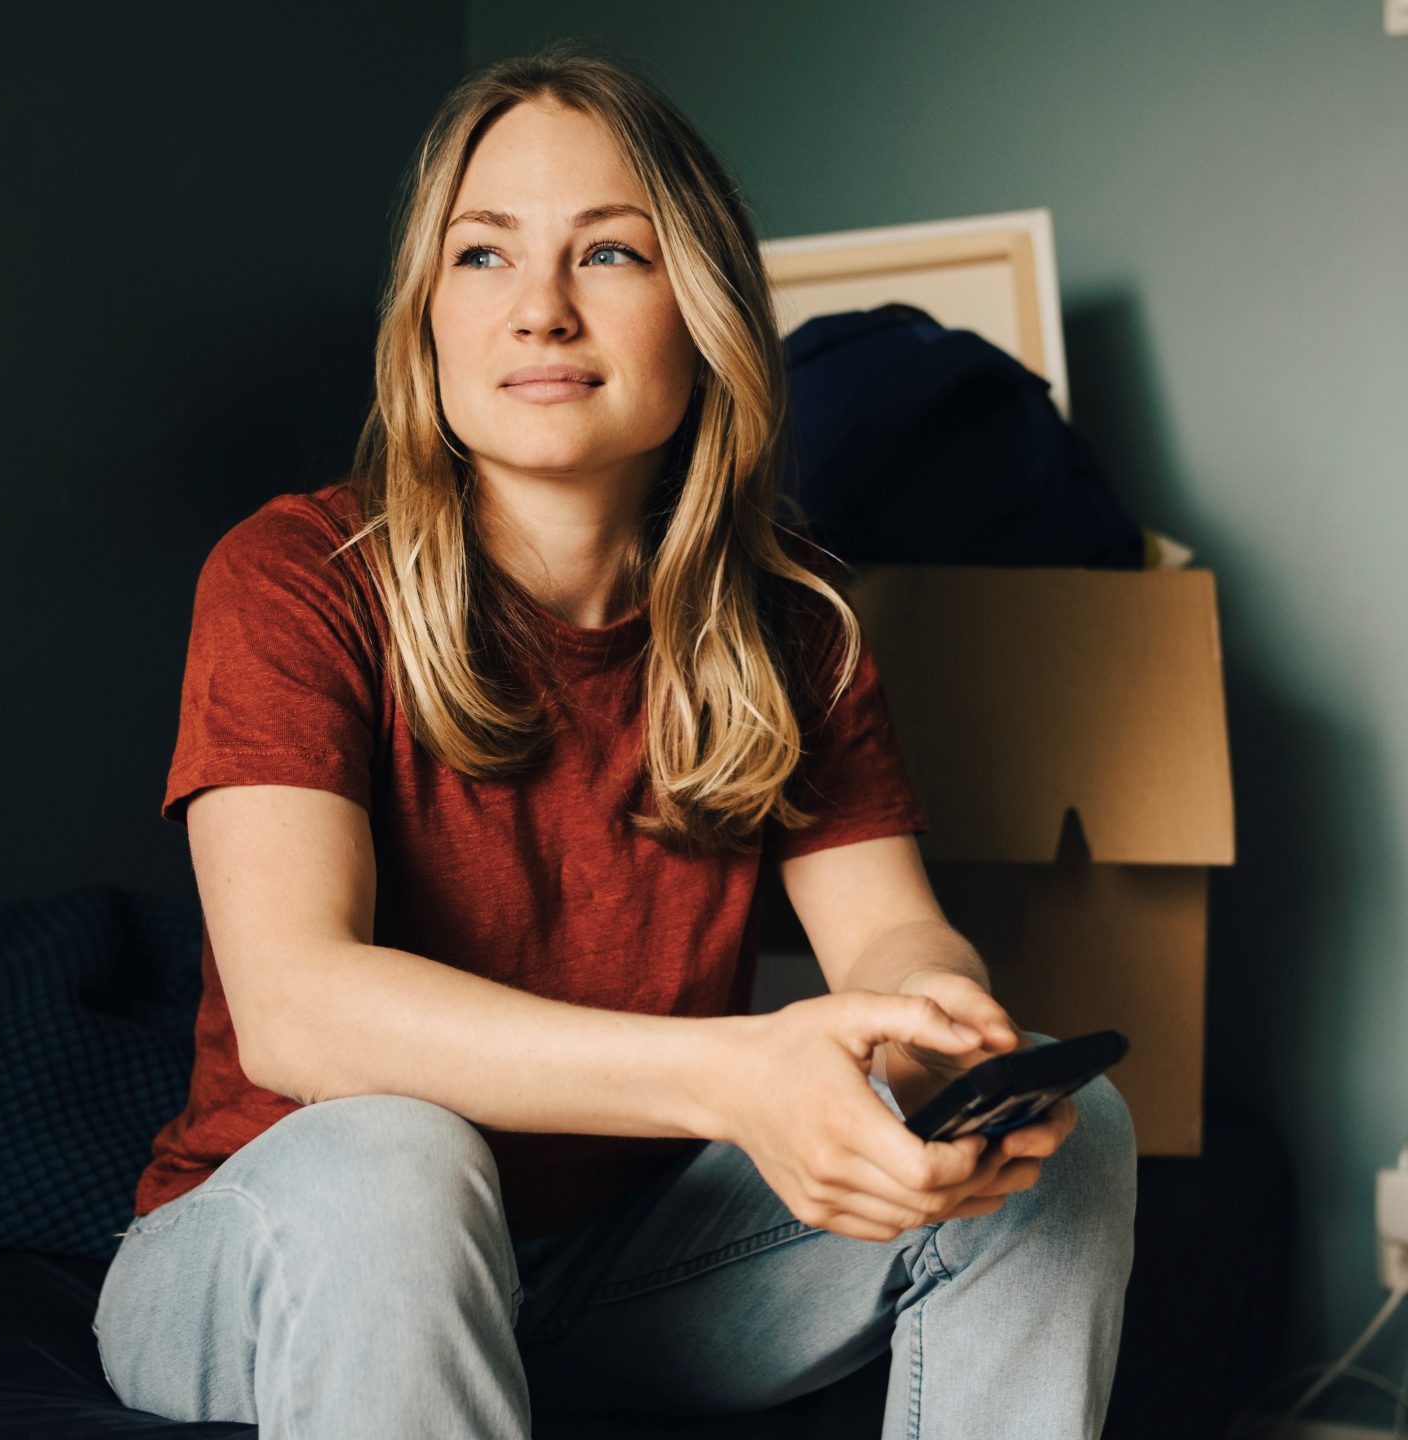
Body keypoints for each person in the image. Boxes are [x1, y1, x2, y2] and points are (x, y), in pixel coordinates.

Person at [92, 41, 1136, 1440]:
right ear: (426, 321)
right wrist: (728, 1075)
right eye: (482, 256)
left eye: (609, 256)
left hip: (611, 1282)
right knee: (403, 1154)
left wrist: (933, 1039)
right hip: (279, 1247)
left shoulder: (791, 630)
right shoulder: (295, 576)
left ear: (699, 312)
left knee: (1071, 1142)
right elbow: (300, 1008)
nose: (538, 311)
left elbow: (891, 934)